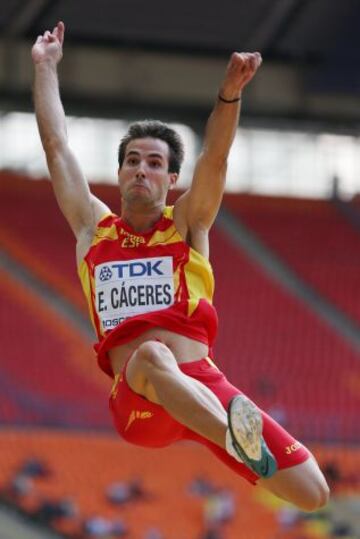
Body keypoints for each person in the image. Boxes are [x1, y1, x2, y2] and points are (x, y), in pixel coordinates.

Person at [32, 21, 329, 512]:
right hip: (140, 400)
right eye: (132, 161)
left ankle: (230, 434)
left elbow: (215, 159)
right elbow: (57, 146)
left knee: (313, 493)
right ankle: (235, 440)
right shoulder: (92, 227)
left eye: (153, 163)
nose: (140, 170)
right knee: (150, 354)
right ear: (120, 172)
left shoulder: (187, 224)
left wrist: (229, 95)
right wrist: (45, 67)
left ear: (171, 178)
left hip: (203, 384)